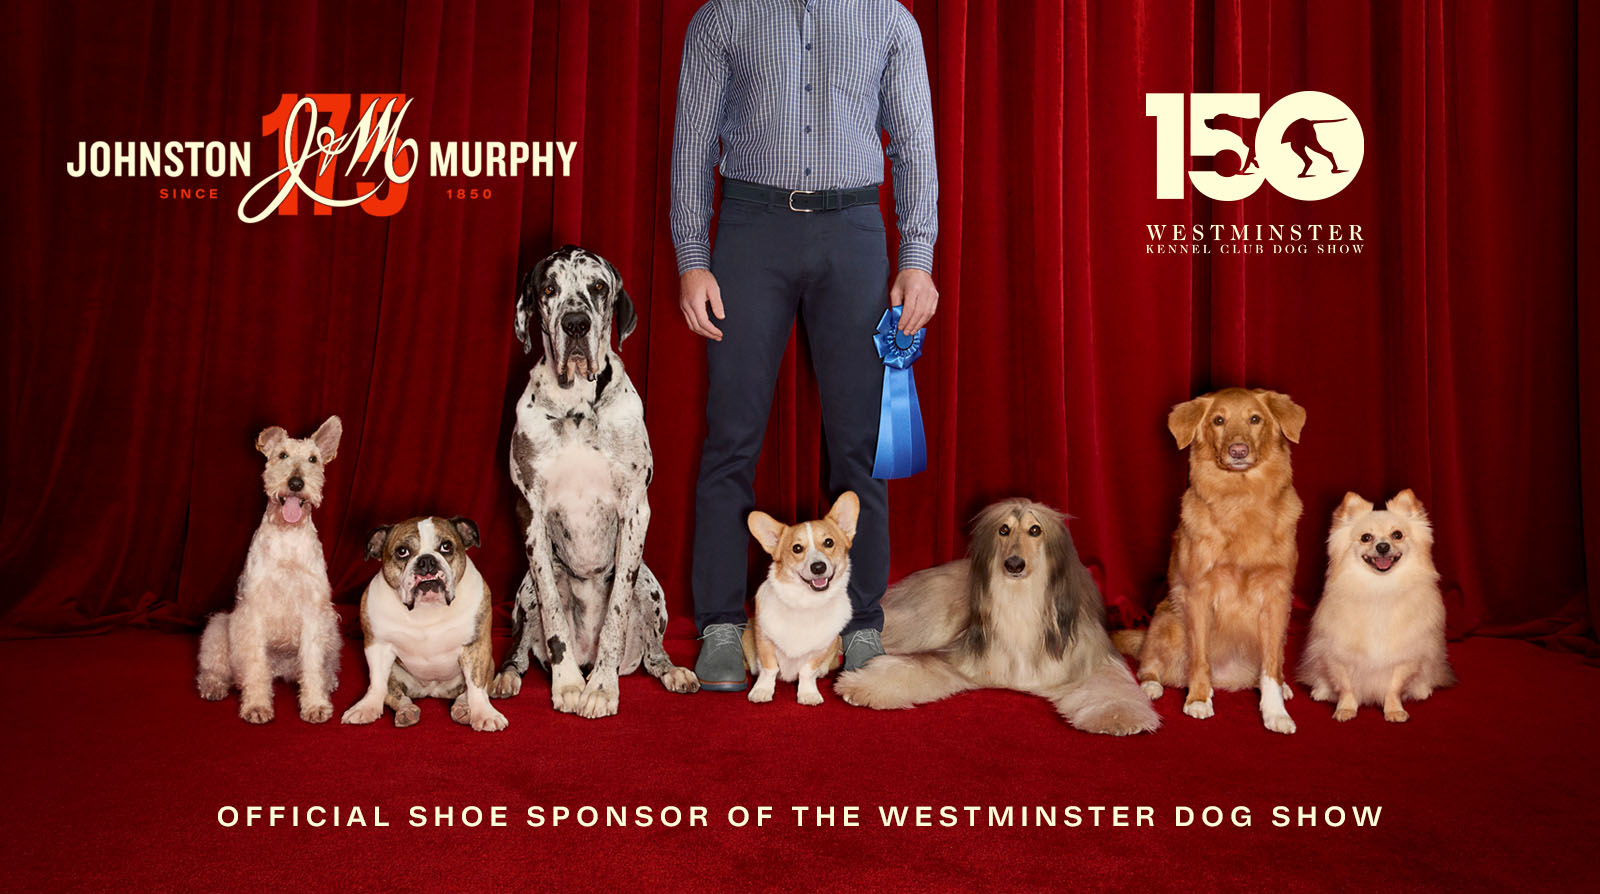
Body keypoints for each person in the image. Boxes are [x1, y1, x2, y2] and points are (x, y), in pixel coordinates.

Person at [669, 0, 939, 691]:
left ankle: (861, 626)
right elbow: (693, 144)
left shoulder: (890, 20)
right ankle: (724, 626)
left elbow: (912, 141)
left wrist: (918, 256)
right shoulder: (721, 18)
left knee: (861, 443)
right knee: (732, 434)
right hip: (751, 227)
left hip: (853, 230)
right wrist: (692, 258)